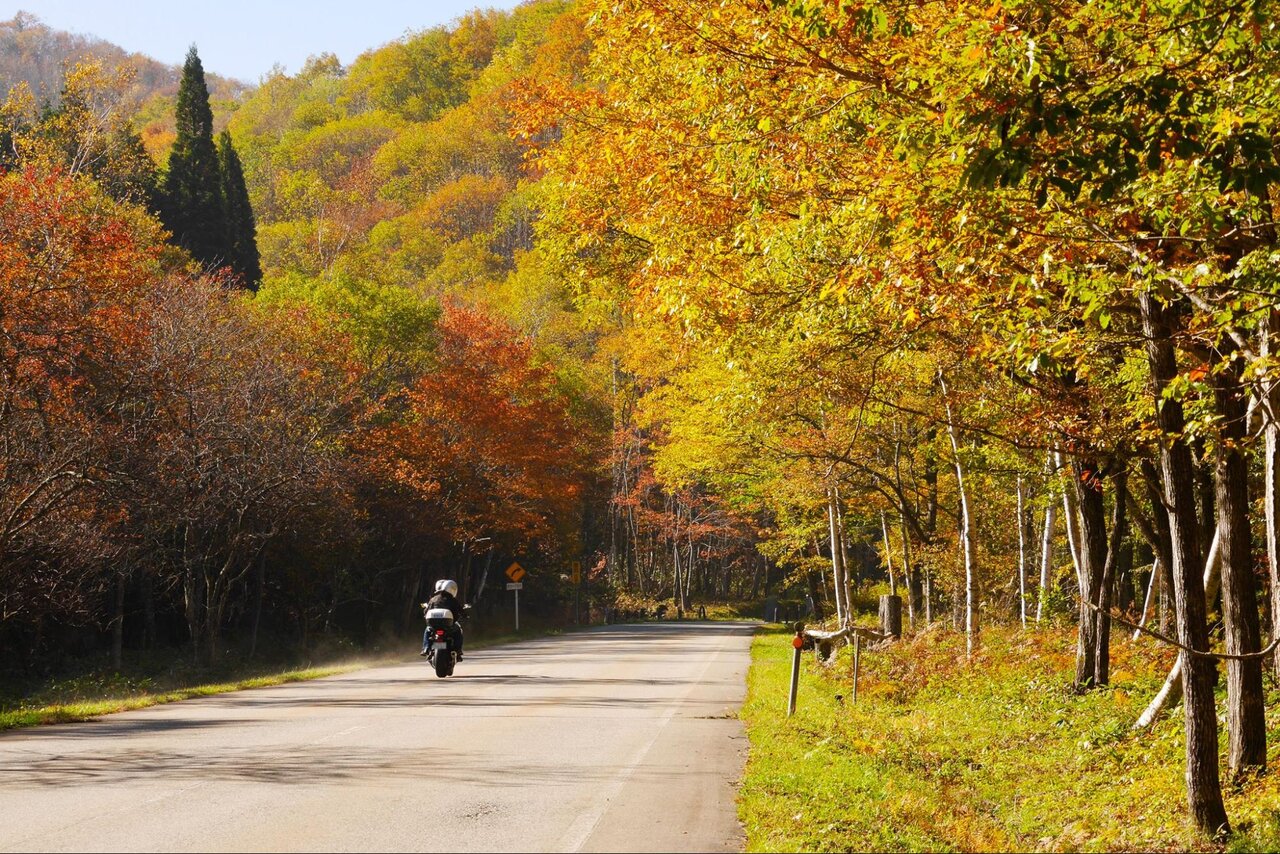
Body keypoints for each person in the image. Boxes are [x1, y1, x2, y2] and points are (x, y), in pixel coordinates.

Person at [420, 579, 465, 659]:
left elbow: (426, 611)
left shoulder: (433, 599)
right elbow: (460, 611)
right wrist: (465, 615)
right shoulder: (452, 600)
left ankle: (426, 648)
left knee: (427, 630)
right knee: (458, 631)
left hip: (433, 625)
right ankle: (458, 650)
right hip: (448, 625)